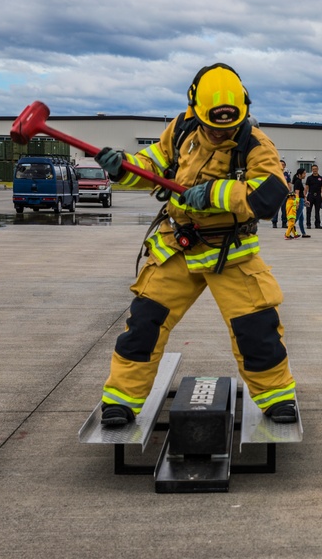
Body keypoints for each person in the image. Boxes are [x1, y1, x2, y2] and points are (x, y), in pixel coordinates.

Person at [92, 62, 298, 426]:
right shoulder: (183, 128)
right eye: (213, 127)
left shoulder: (256, 144)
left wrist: (216, 193)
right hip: (179, 246)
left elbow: (269, 196)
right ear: (195, 111)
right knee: (144, 324)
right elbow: (153, 164)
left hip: (229, 254)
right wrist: (123, 167)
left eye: (229, 128)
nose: (220, 135)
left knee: (257, 330)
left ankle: (276, 397)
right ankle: (121, 400)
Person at [304, 164, 322, 230]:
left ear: (318, 169)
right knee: (308, 210)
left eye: (316, 169)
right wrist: (305, 196)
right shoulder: (309, 178)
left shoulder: (321, 178)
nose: (314, 170)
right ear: (311, 170)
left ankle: (317, 224)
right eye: (313, 169)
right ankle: (308, 224)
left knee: (317, 211)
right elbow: (306, 187)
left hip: (318, 196)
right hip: (310, 196)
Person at [271, 159, 290, 229]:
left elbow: (288, 183)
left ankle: (284, 222)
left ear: (285, 166)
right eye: (280, 164)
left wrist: (289, 192)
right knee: (276, 209)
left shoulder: (286, 174)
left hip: (284, 194)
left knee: (284, 209)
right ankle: (274, 222)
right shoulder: (275, 173)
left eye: (283, 164)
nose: (282, 165)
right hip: (276, 193)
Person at [292, 168, 310, 238]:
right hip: (299, 200)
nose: (305, 175)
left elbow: (301, 192)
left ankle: (303, 233)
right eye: (304, 173)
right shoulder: (297, 182)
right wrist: (297, 202)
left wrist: (305, 199)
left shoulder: (299, 181)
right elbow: (297, 192)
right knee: (296, 217)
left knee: (301, 218)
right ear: (300, 174)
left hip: (301, 199)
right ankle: (288, 232)